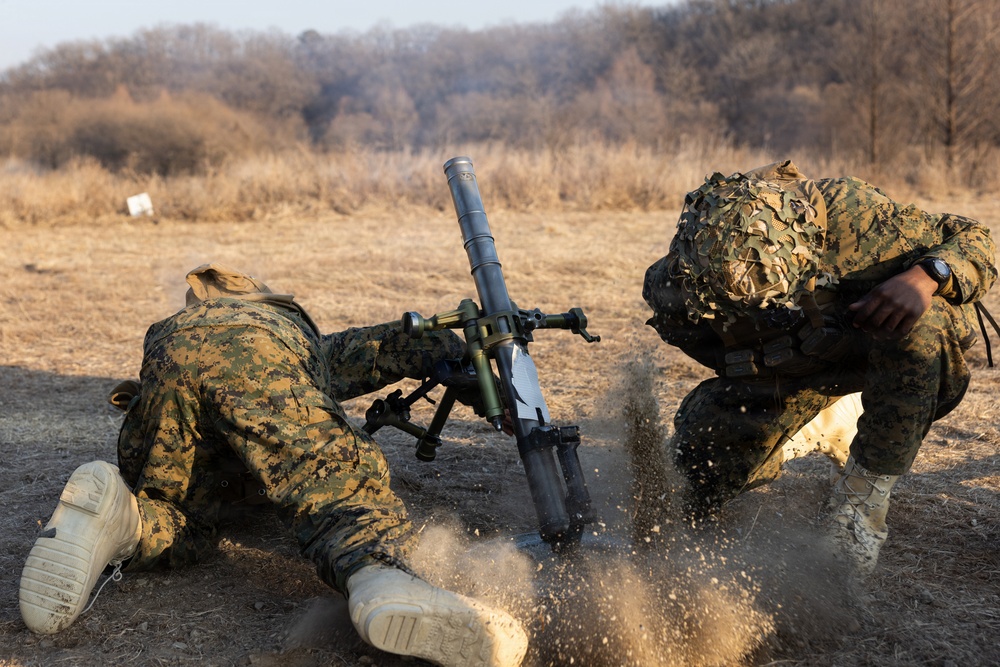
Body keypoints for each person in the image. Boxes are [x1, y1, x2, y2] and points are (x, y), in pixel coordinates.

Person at [19, 263, 528, 667]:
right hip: (253, 357)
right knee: (335, 485)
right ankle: (381, 577)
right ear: (272, 305)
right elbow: (405, 342)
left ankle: (123, 519)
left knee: (183, 522)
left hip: (163, 366)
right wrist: (493, 389)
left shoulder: (185, 327)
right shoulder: (285, 337)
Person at [642, 160, 997, 572]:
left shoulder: (851, 217)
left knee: (923, 325)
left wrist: (926, 276)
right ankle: (821, 419)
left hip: (871, 340)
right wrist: (771, 402)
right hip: (793, 368)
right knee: (685, 491)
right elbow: (723, 361)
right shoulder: (675, 290)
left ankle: (860, 506)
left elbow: (974, 238)